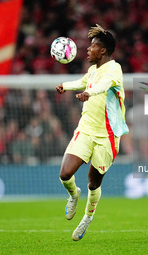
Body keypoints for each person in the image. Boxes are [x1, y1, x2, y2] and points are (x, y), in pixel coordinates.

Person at [56, 24, 129, 241]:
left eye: (93, 46)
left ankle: (87, 218)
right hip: (86, 129)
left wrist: (89, 92)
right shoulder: (92, 70)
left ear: (103, 50)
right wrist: (65, 86)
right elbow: (82, 82)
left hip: (107, 134)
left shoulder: (114, 69)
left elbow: (104, 85)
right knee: (65, 174)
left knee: (93, 183)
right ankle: (73, 194)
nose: (88, 50)